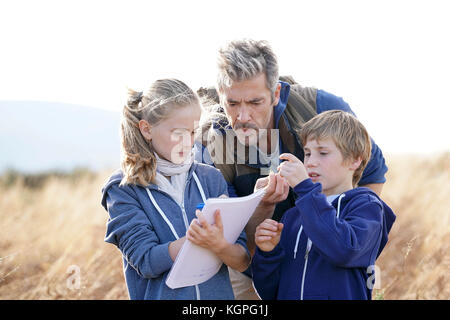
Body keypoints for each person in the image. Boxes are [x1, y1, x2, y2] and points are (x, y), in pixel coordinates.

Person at [194, 38, 388, 298]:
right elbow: (236, 246)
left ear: (276, 93)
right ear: (220, 96)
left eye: (254, 102)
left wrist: (356, 240)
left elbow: (372, 170)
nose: (242, 117)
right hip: (259, 257)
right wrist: (262, 210)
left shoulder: (321, 108)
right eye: (232, 103)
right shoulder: (211, 142)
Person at [101, 79, 250, 300]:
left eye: (193, 132)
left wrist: (220, 245)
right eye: (178, 133)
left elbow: (242, 260)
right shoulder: (123, 189)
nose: (188, 143)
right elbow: (146, 261)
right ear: (146, 129)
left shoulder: (211, 178)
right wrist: (197, 241)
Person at [251, 110, 396, 300]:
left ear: (355, 159)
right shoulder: (293, 216)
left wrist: (305, 189)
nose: (310, 162)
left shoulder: (366, 206)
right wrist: (269, 253)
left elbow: (344, 250)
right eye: (308, 153)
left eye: (323, 153)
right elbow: (269, 293)